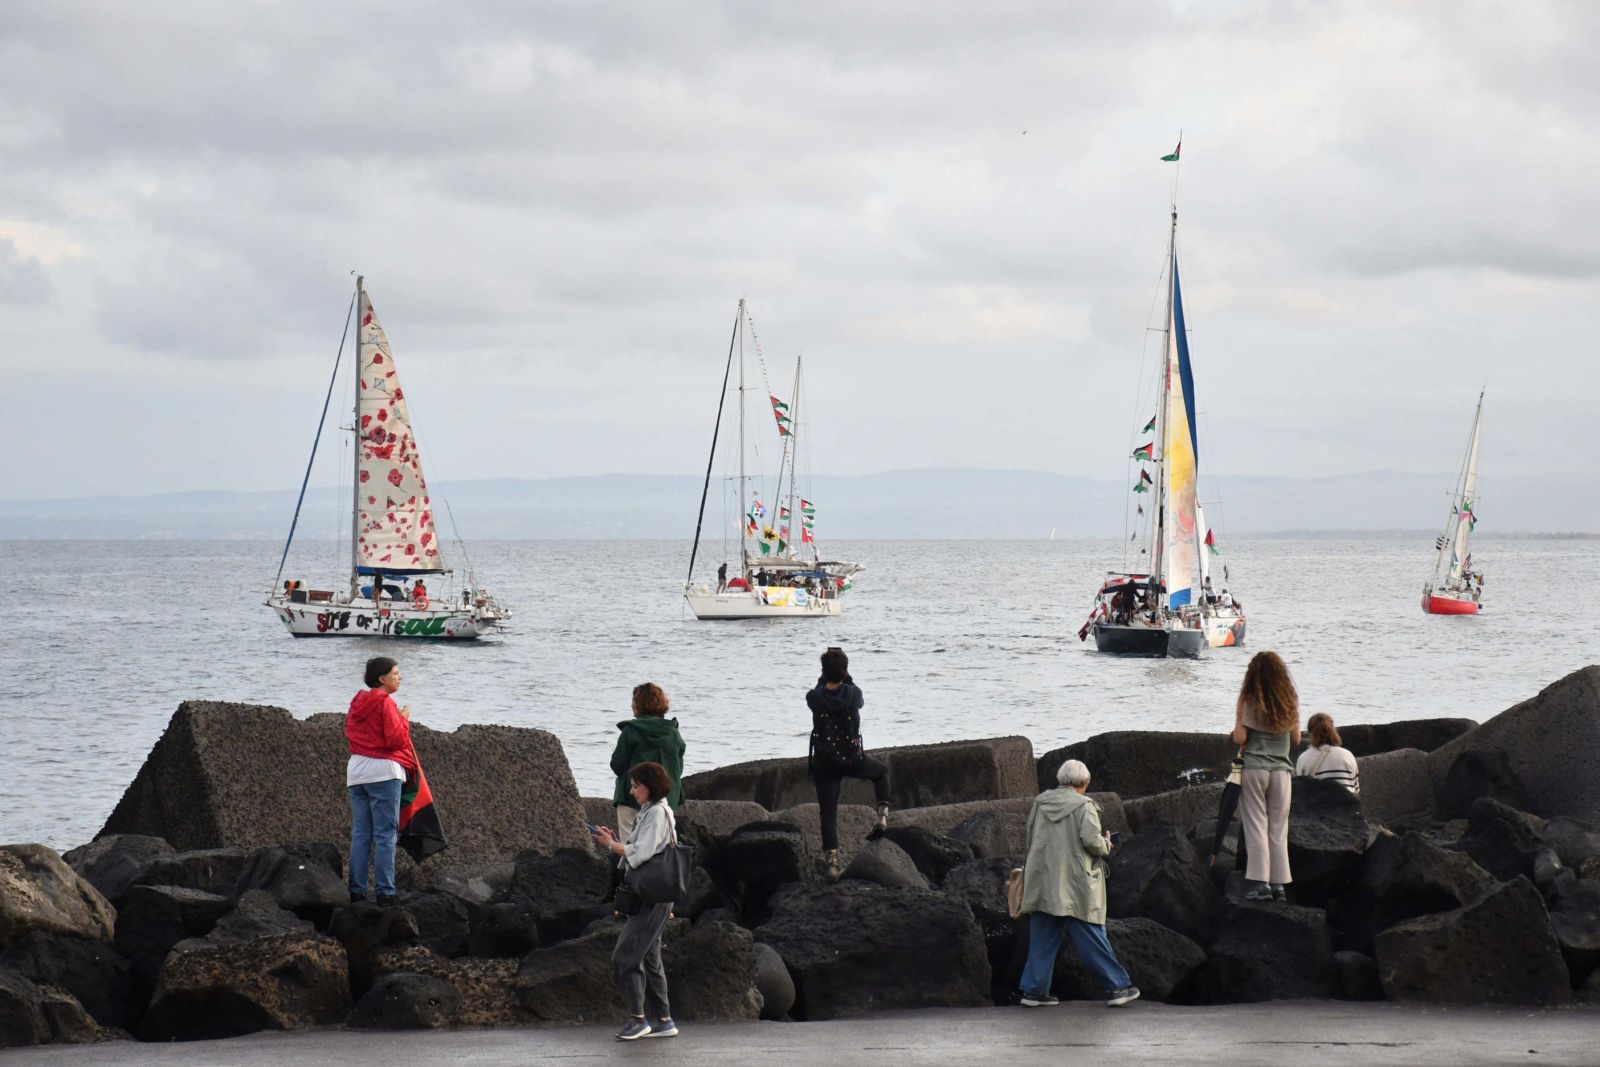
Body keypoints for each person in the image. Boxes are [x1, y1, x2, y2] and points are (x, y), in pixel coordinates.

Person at [1017, 759, 1140, 1008]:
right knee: (1090, 934)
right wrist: (1107, 843)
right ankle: (1118, 987)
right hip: (1075, 882)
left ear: (1062, 780)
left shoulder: (1041, 803)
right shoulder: (1085, 806)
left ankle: (1034, 992)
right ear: (1084, 783)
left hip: (1042, 879)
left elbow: (1030, 837)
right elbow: (1092, 842)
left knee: (1043, 935)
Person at [591, 762, 679, 1041]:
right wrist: (616, 841)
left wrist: (611, 845)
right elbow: (638, 851)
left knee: (624, 957)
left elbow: (640, 854)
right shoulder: (650, 812)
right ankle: (663, 1020)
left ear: (649, 785)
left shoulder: (656, 813)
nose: (632, 791)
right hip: (652, 895)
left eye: (635, 785)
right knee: (650, 959)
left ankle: (638, 1019)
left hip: (653, 898)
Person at [806, 646, 891, 880]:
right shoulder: (854, 694)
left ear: (823, 671)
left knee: (828, 812)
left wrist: (827, 677)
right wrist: (845, 677)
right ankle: (882, 818)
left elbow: (819, 690)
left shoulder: (814, 698)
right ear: (845, 672)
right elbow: (855, 695)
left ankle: (832, 863)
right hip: (852, 758)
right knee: (881, 772)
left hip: (825, 762)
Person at [1230, 651, 1302, 902]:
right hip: (1282, 771)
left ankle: (1261, 884)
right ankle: (1279, 885)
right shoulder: (1289, 700)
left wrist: (1238, 722)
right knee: (1278, 828)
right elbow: (1296, 740)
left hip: (1255, 768)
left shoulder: (1249, 700)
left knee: (1256, 825)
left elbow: (1241, 738)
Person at [346, 656, 413, 906]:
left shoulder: (357, 701)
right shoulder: (385, 702)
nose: (399, 676)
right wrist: (403, 719)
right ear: (381, 678)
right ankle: (385, 893)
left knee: (361, 833)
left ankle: (357, 891)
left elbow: (351, 732)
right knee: (385, 834)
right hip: (383, 771)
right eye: (395, 673)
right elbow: (396, 741)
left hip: (356, 770)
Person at [609, 682, 686, 840]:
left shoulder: (631, 731)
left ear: (639, 706)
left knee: (630, 848)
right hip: (664, 800)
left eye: (634, 702)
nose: (631, 706)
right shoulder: (673, 733)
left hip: (631, 798)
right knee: (658, 847)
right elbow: (678, 768)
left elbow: (617, 764)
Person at [1295, 713, 1360, 795]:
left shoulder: (1303, 759)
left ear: (1311, 733)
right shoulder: (1347, 755)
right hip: (1346, 806)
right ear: (1333, 731)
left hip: (1318, 806)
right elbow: (1356, 790)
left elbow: (1301, 791)